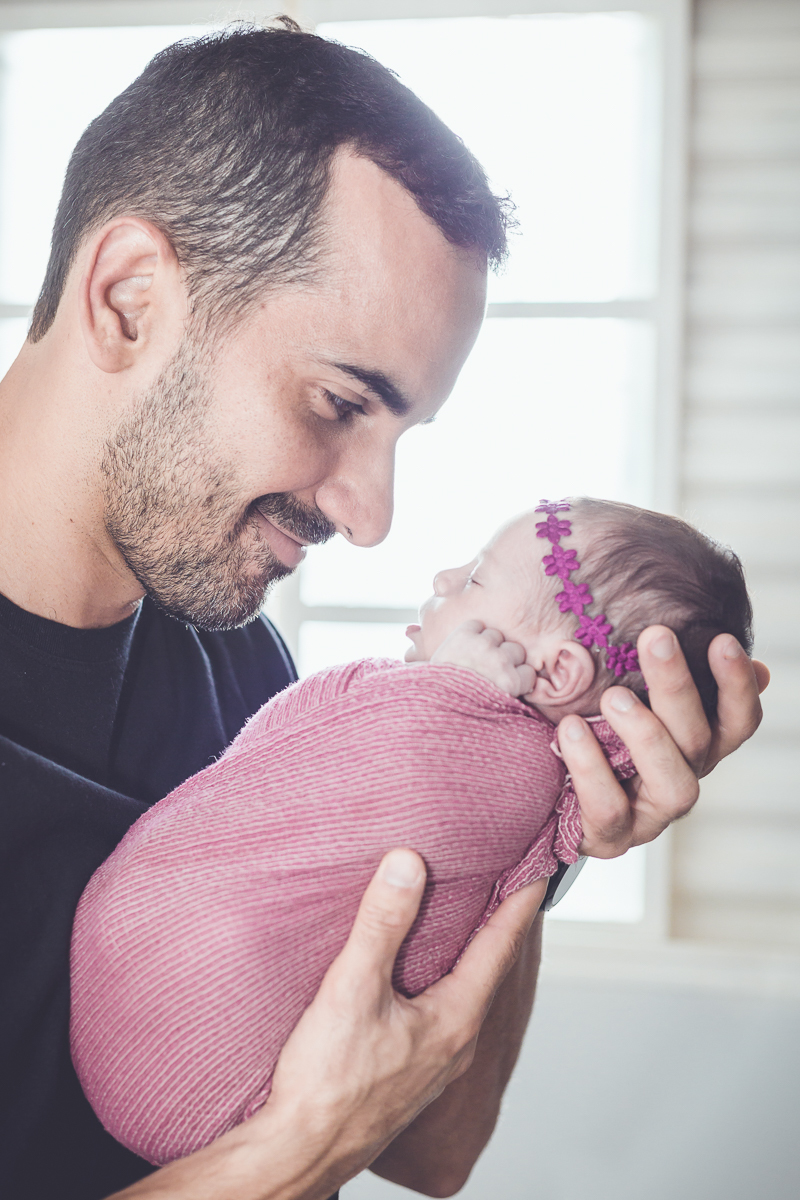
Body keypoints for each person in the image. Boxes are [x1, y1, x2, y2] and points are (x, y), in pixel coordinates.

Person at [0, 22, 766, 1200]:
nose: (371, 517)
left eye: (401, 437)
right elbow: (329, 1134)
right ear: (128, 299)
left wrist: (551, 802)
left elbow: (430, 1147)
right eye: (336, 401)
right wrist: (285, 1157)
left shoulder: (240, 669)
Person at [68, 496, 755, 1169]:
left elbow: (437, 1161)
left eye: (476, 577)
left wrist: (565, 821)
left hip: (190, 1064)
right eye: (340, 398)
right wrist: (278, 1158)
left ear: (554, 670)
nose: (443, 581)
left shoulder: (252, 652)